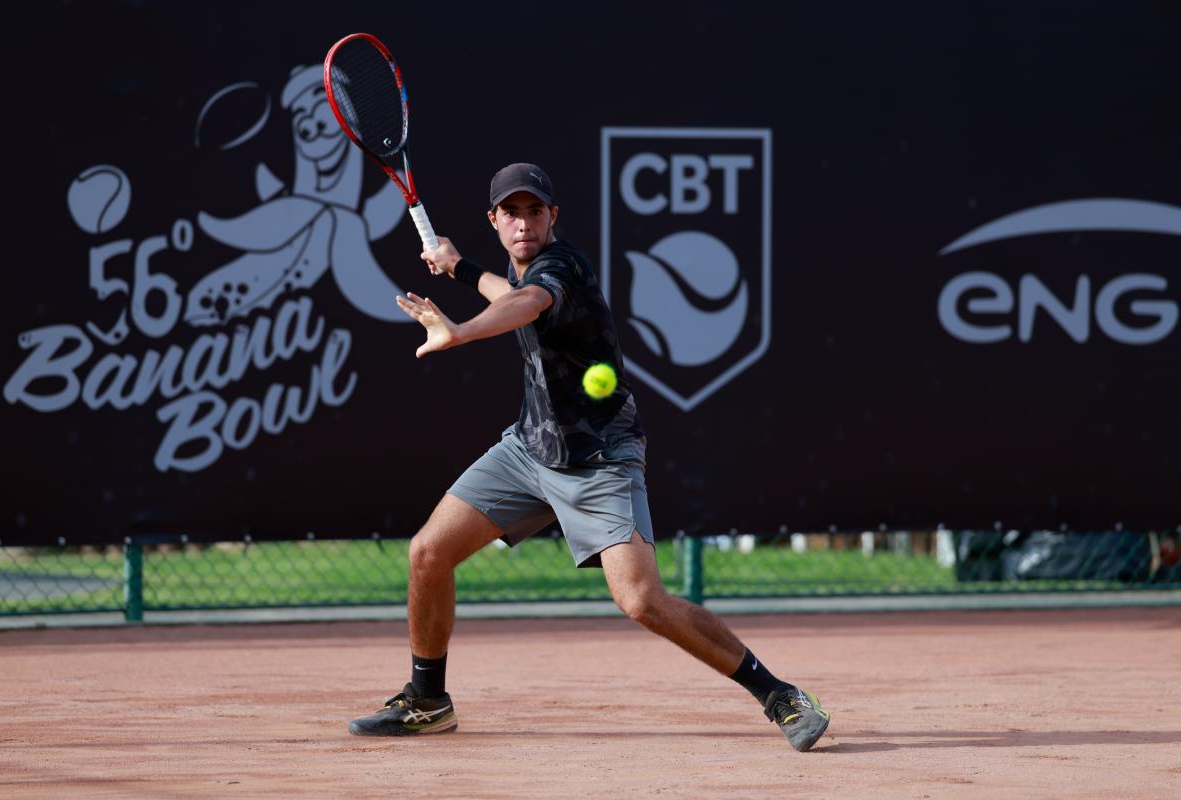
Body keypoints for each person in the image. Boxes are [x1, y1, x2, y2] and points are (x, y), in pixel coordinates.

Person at [348, 163, 830, 751]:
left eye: (534, 211)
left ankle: (779, 694)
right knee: (428, 552)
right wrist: (459, 267)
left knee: (643, 602)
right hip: (530, 448)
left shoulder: (562, 266)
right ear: (494, 220)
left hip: (599, 457)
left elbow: (526, 303)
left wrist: (461, 331)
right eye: (511, 213)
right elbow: (510, 292)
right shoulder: (520, 267)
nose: (523, 223)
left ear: (553, 216)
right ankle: (428, 700)